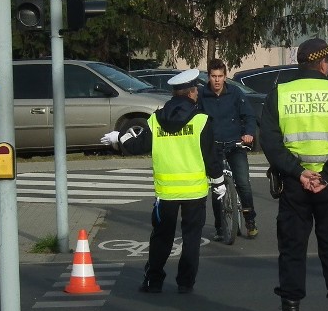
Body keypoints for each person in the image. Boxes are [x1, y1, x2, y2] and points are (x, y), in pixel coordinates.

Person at [259, 38, 328, 311]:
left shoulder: (280, 94)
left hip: (294, 185)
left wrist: (297, 172)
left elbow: (271, 141)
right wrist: (327, 175)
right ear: (323, 63)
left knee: (292, 250)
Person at [101, 69, 224, 294]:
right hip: (194, 192)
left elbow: (137, 146)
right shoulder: (201, 121)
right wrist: (219, 182)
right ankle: (185, 284)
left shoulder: (155, 120)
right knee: (191, 239)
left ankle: (153, 281)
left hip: (165, 193)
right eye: (196, 90)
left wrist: (119, 137)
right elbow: (211, 156)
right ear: (191, 93)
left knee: (161, 238)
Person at [197, 58, 258, 239]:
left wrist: (248, 133)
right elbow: (195, 120)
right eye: (213, 76)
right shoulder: (201, 95)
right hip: (213, 147)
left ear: (225, 76)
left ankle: (250, 221)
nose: (217, 80)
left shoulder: (235, 93)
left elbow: (249, 116)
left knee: (243, 183)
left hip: (235, 144)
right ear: (209, 77)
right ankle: (219, 227)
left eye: (220, 76)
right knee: (217, 187)